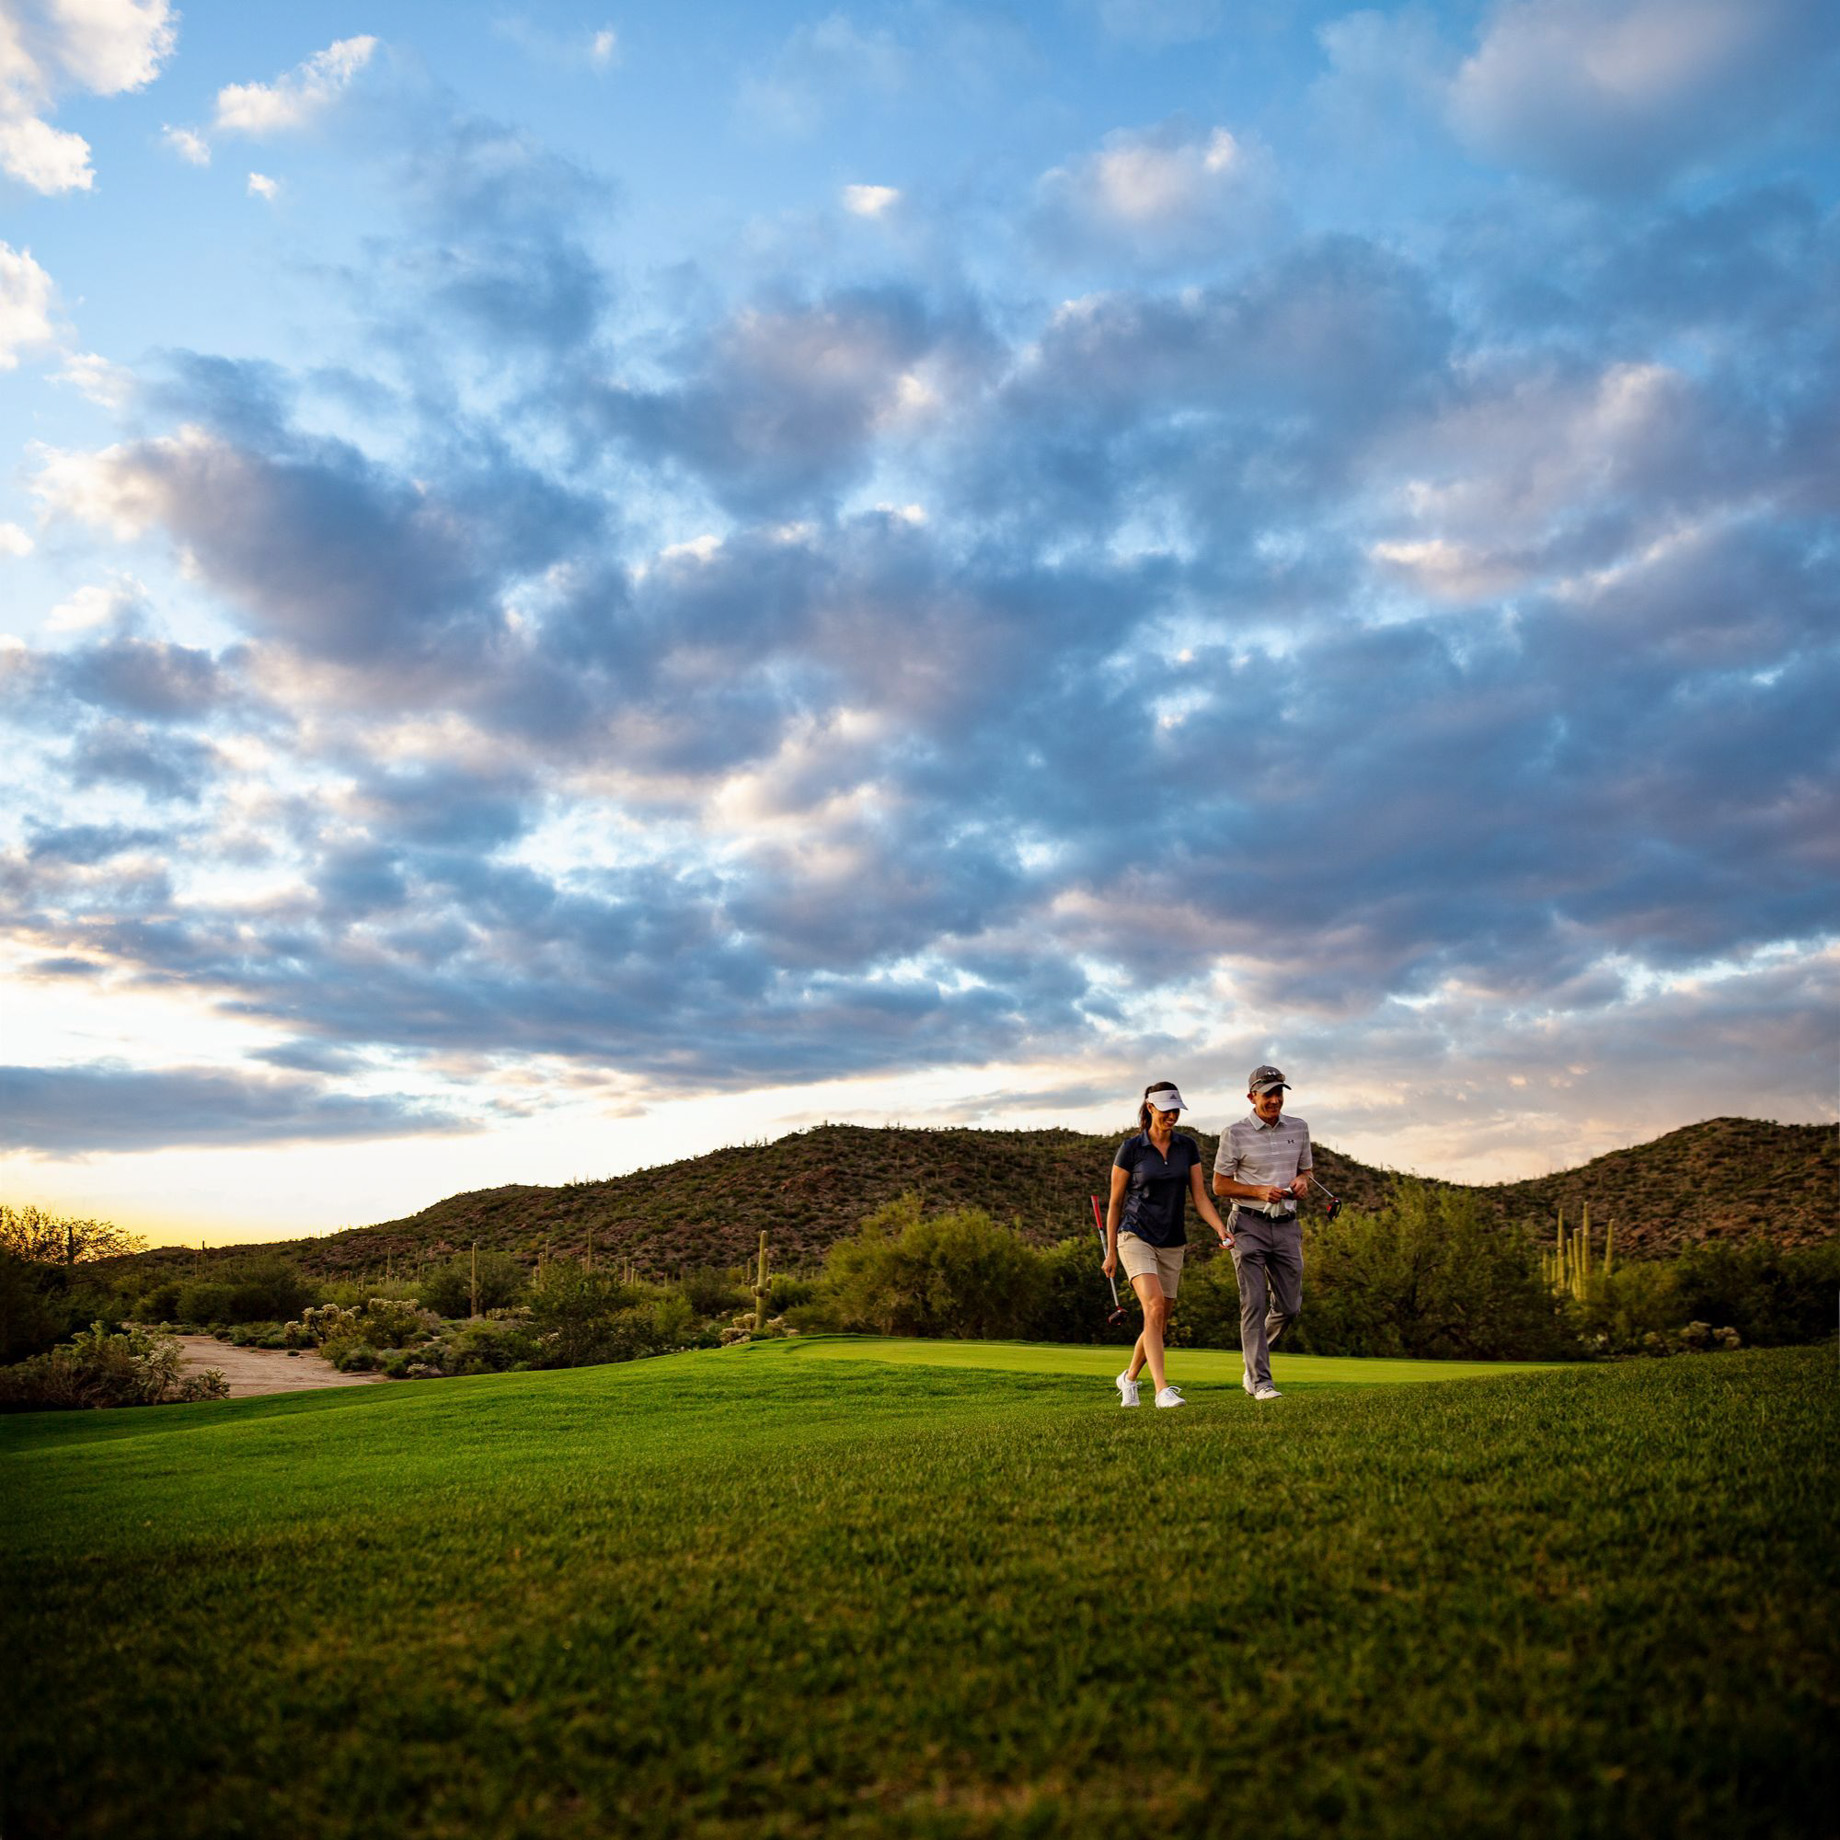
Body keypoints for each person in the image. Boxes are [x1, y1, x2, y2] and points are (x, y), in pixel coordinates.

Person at [1104, 1080, 1234, 1410]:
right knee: (1154, 1307)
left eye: (1176, 1110)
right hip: (1135, 1235)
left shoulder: (1187, 1147)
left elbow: (1200, 1196)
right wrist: (1110, 1252)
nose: (1172, 1116)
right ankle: (1162, 1390)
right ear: (1150, 1108)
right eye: (1166, 1110)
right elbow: (1115, 1203)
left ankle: (1129, 1378)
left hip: (1173, 1241)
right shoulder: (1131, 1149)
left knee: (1159, 1321)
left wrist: (1220, 1228)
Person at [1213, 1064, 1319, 1401]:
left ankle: (1253, 1363)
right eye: (1267, 1094)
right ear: (1251, 1096)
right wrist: (1259, 1191)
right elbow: (1220, 1185)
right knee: (1254, 1303)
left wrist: (1302, 1180)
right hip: (1248, 1225)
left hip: (1287, 1226)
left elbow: (1306, 1170)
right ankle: (1261, 1382)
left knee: (1289, 1307)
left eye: (1278, 1094)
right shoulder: (1234, 1133)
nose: (1274, 1100)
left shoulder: (1299, 1127)